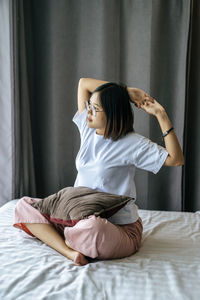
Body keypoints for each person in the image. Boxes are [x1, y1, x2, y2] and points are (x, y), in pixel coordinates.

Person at [13, 78, 184, 266]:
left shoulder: (132, 143)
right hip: (77, 215)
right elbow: (83, 83)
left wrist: (161, 115)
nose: (88, 112)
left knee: (92, 228)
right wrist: (127, 92)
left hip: (118, 228)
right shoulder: (88, 130)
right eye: (89, 106)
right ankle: (69, 251)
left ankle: (66, 236)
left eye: (95, 109)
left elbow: (176, 159)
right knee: (24, 206)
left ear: (112, 112)